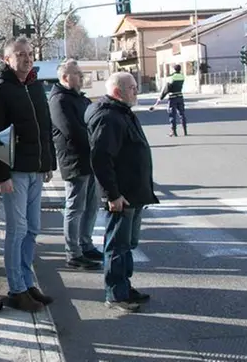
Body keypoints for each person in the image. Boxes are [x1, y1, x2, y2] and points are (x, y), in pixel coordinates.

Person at [0, 37, 56, 312]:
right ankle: (16, 289)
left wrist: (48, 163)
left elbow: (45, 128)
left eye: (30, 54)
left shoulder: (34, 86)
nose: (26, 58)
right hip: (15, 172)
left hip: (36, 169)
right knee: (18, 230)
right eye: (20, 54)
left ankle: (26, 281)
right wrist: (1, 177)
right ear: (6, 59)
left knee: (33, 228)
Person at [86, 72, 158, 313]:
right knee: (117, 245)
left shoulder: (121, 112)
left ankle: (124, 286)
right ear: (118, 92)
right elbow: (101, 159)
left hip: (133, 193)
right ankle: (116, 294)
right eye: (132, 88)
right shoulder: (108, 117)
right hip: (122, 195)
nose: (136, 91)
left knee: (127, 244)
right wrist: (112, 195)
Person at [48, 59, 103, 271]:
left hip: (90, 160)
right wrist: (95, 138)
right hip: (74, 160)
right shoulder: (59, 100)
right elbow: (72, 130)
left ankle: (86, 245)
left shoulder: (80, 98)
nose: (81, 77)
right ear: (65, 77)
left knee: (91, 206)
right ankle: (73, 252)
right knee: (75, 207)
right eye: (77, 74)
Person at [150, 64, 187, 136]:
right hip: (180, 96)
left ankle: (174, 132)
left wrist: (160, 98)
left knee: (172, 115)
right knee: (182, 114)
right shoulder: (182, 76)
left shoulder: (171, 77)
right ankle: (185, 130)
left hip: (172, 98)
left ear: (174, 69)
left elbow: (166, 89)